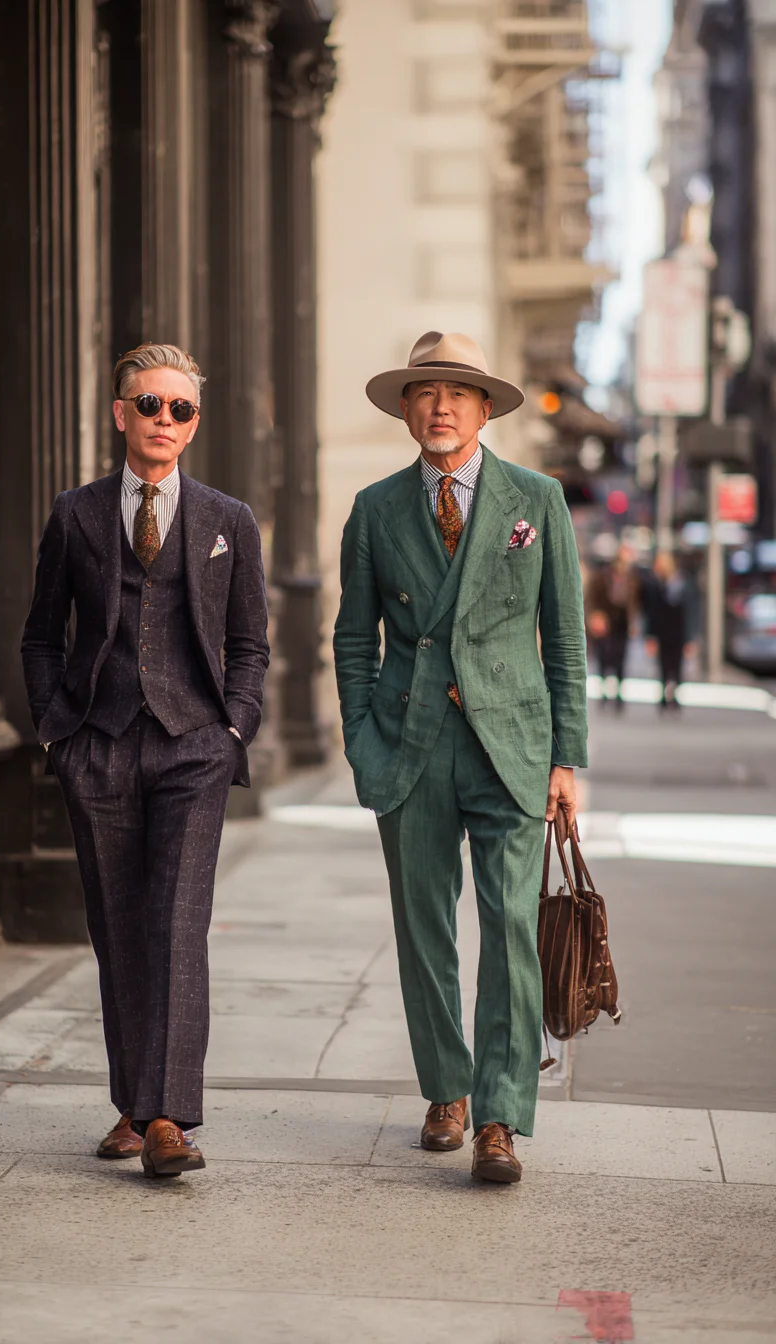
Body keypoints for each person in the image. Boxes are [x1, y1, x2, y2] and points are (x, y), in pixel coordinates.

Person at [334, 332, 587, 1185]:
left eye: (458, 392)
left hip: (511, 745)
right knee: (423, 928)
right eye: (424, 391)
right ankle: (446, 1088)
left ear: (486, 409)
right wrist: (360, 741)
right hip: (410, 748)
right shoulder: (374, 509)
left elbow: (565, 638)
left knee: (512, 929)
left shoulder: (537, 499)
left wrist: (567, 757)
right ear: (406, 409)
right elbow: (351, 639)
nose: (440, 406)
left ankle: (501, 1114)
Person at [21, 343, 269, 1178]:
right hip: (98, 744)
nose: (167, 419)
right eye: (151, 405)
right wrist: (58, 733)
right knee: (117, 931)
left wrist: (233, 727)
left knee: (175, 926)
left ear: (196, 423)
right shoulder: (77, 514)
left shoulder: (228, 519)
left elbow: (250, 645)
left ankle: (167, 1118)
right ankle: (132, 1105)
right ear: (121, 413)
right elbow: (39, 635)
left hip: (193, 747)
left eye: (182, 409)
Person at [585, 545, 639, 709]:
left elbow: (634, 603)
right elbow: (591, 599)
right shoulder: (602, 577)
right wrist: (594, 616)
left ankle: (618, 695)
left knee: (620, 658)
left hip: (621, 624)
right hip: (605, 623)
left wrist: (633, 622)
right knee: (604, 657)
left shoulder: (632, 580)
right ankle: (603, 692)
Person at [644, 550, 695, 711]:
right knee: (663, 665)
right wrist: (650, 636)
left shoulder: (683, 583)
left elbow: (691, 611)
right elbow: (650, 612)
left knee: (677, 665)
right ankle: (665, 695)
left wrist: (690, 638)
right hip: (662, 633)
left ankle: (675, 695)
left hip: (678, 633)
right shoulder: (654, 585)